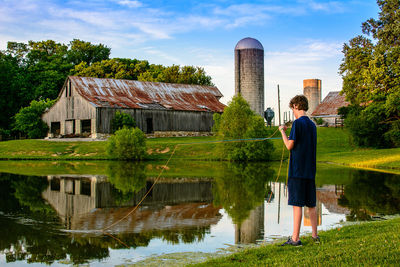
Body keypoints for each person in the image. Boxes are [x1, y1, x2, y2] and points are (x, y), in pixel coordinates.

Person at [278, 95, 319, 246]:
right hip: (310, 171)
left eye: (292, 108)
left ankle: (295, 239)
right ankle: (315, 236)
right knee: (311, 205)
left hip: (297, 171)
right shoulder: (312, 125)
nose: (293, 111)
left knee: (297, 205)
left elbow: (289, 145)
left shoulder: (297, 123)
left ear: (296, 106)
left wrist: (282, 131)